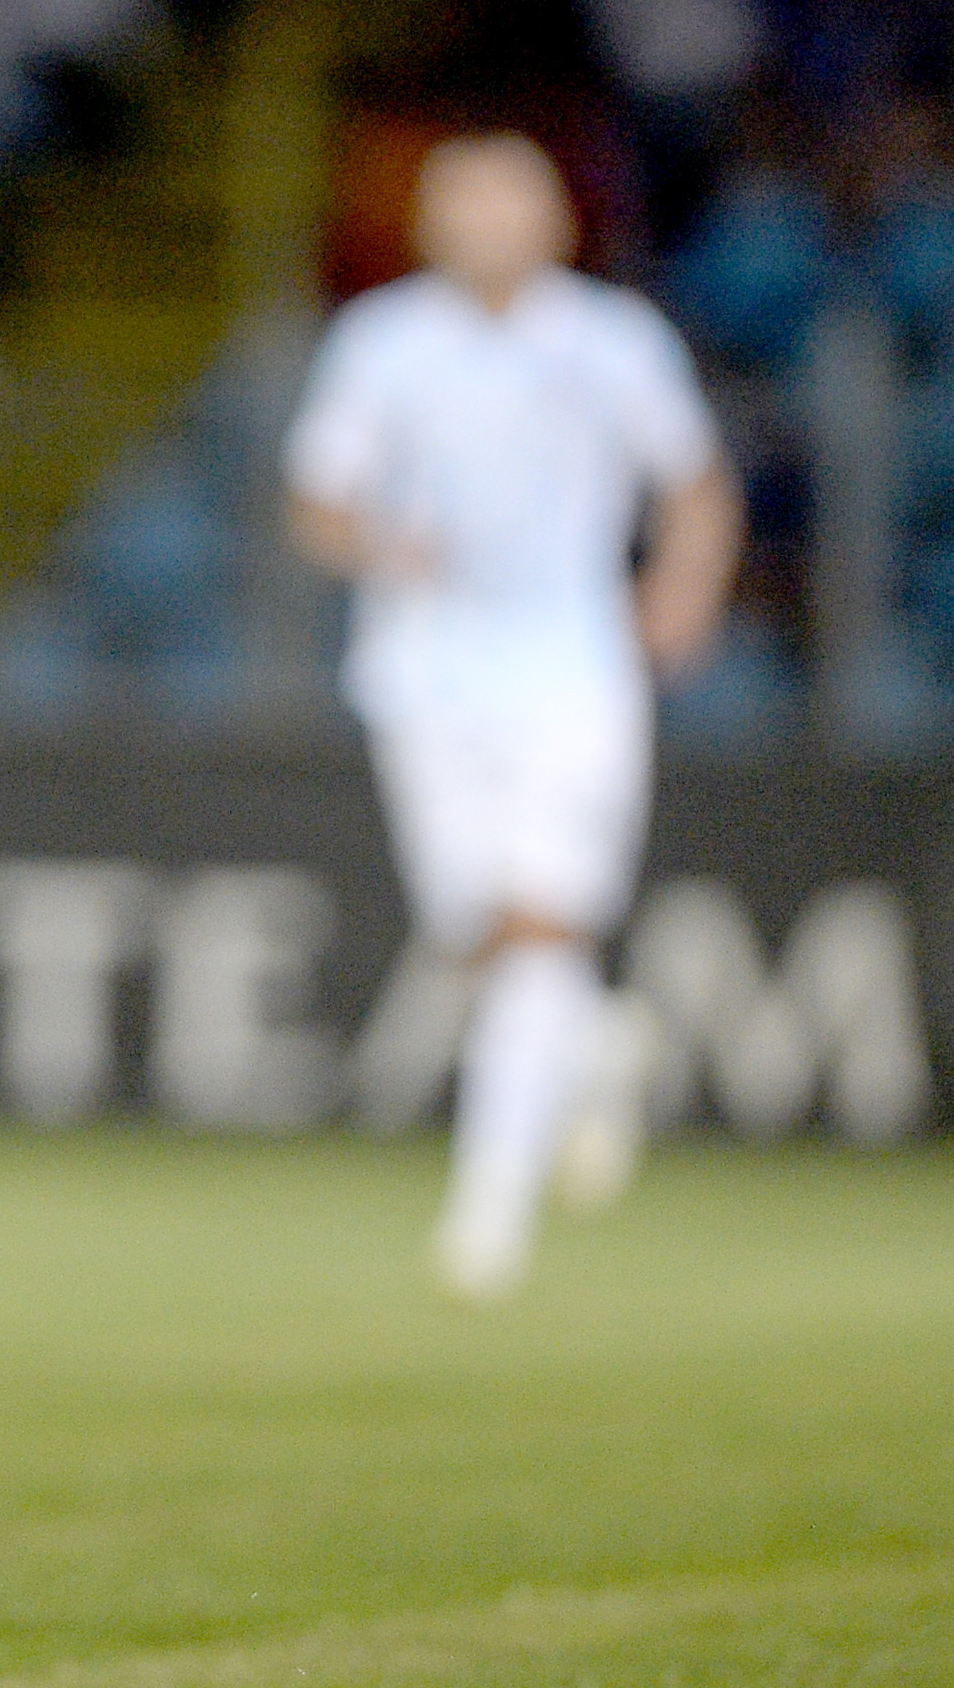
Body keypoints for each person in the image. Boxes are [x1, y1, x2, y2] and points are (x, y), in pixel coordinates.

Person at [284, 131, 740, 1300]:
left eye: (506, 202)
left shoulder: (612, 340)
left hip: (570, 672)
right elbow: (318, 503)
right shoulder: (382, 341)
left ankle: (487, 1216)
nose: (484, 224)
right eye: (463, 204)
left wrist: (683, 588)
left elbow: (695, 482)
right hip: (424, 673)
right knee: (473, 922)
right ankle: (598, 1043)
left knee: (539, 922)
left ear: (557, 220)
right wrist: (381, 540)